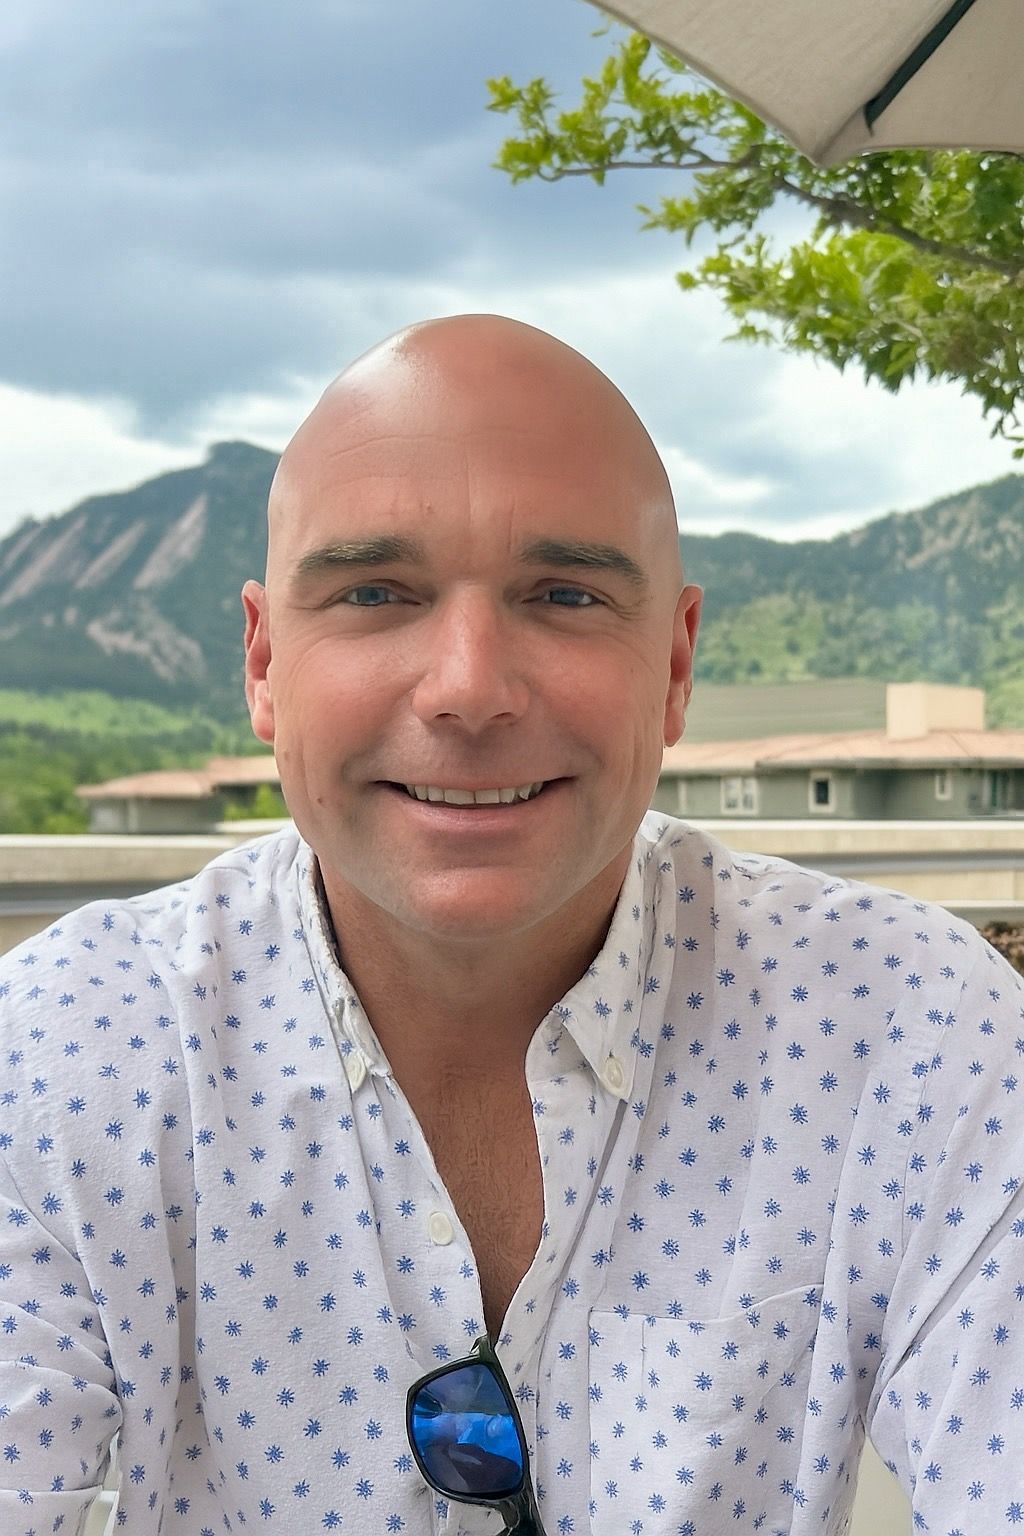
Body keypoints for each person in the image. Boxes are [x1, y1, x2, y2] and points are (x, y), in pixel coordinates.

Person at [1, 315, 1022, 1536]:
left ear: (677, 666)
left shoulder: (911, 1032)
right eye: (375, 593)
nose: (469, 685)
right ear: (265, 664)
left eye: (564, 594)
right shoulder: (65, 1054)